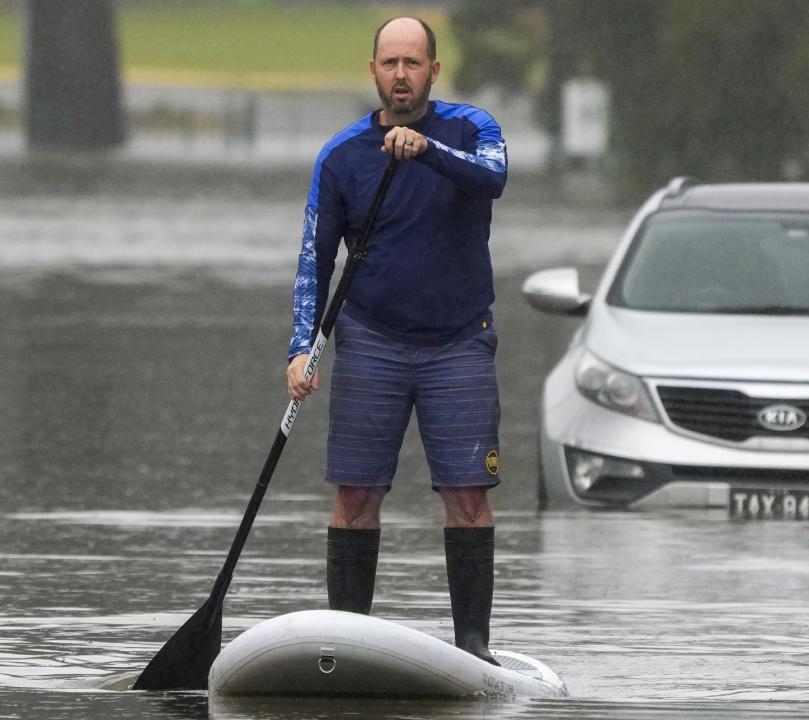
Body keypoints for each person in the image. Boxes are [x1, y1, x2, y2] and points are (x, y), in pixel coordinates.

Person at [286, 16, 507, 665]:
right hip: (372, 342)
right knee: (356, 496)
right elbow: (314, 259)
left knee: (468, 496)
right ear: (374, 71)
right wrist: (301, 348)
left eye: (413, 63)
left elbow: (492, 177)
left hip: (459, 342)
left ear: (434, 71)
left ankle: (474, 648)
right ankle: (347, 643)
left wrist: (425, 149)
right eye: (391, 64)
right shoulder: (342, 155)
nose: (401, 75)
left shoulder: (472, 128)